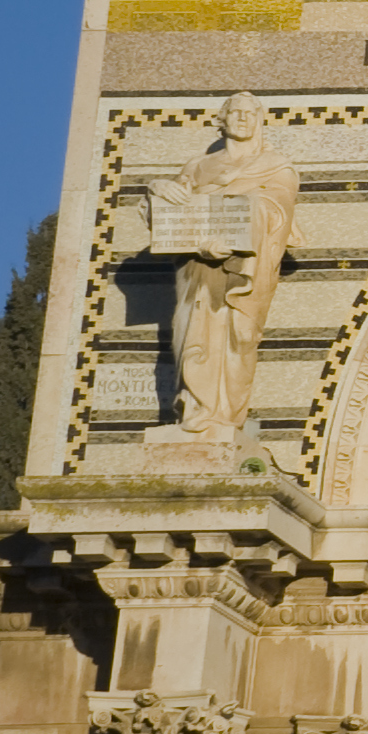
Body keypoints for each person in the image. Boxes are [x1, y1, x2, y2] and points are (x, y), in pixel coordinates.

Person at [143, 90, 299, 460]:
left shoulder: (277, 166)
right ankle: (195, 411)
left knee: (239, 337)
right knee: (192, 334)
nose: (243, 118)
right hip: (197, 270)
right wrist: (157, 188)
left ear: (260, 120)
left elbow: (279, 212)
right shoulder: (198, 166)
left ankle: (226, 416)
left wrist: (239, 227)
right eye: (236, 112)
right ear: (222, 119)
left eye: (250, 113)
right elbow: (168, 212)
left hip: (245, 271)